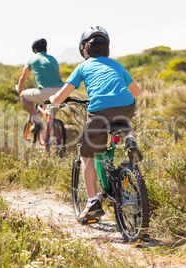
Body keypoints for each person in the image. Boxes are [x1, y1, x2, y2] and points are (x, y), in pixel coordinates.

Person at [49, 26, 143, 223]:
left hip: (99, 111)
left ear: (84, 51)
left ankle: (92, 202)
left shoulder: (83, 66)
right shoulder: (117, 65)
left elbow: (62, 95)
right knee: (123, 116)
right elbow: (136, 92)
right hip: (126, 106)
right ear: (108, 50)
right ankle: (129, 139)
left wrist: (53, 100)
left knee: (86, 155)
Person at [17, 38, 64, 131]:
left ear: (35, 50)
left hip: (46, 92)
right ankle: (58, 139)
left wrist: (20, 88)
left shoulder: (33, 59)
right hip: (62, 92)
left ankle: (37, 122)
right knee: (51, 117)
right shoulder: (53, 59)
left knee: (23, 96)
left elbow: (23, 76)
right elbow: (57, 74)